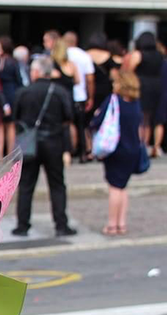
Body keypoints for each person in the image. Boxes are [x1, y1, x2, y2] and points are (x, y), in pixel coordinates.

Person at [12, 56, 77, 237]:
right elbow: (68, 116)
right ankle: (61, 224)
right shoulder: (60, 91)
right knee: (57, 184)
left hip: (29, 143)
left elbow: (16, 117)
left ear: (35, 72)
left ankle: (22, 225)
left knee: (26, 185)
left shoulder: (23, 92)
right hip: (53, 141)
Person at [91, 70, 142, 235]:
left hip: (115, 149)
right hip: (133, 149)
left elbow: (96, 122)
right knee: (123, 186)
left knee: (114, 187)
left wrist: (96, 116)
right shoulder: (136, 104)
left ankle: (112, 224)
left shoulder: (114, 101)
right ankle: (122, 223)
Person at [124, 31, 163, 157]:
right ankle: (145, 145)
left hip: (141, 86)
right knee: (148, 118)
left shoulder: (138, 54)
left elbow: (128, 72)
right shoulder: (159, 55)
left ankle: (138, 144)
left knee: (139, 117)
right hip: (156, 86)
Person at [63, 32, 96, 162]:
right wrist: (90, 96)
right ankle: (83, 152)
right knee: (82, 125)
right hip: (81, 95)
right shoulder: (84, 55)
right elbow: (90, 79)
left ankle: (70, 151)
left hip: (67, 94)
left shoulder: (63, 56)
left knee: (69, 123)